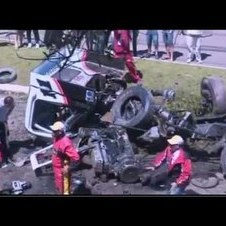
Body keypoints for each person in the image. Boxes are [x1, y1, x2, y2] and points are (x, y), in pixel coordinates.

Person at [50, 121, 80, 194]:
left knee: (64, 188)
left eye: (54, 131)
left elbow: (76, 157)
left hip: (61, 169)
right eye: (52, 130)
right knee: (59, 185)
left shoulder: (65, 143)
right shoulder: (56, 138)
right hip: (56, 167)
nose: (52, 132)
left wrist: (67, 167)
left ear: (60, 132)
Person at [0, 96, 15, 167]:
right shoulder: (0, 105)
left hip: (3, 120)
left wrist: (7, 116)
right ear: (5, 104)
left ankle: (6, 150)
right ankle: (4, 154)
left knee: (5, 136)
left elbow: (11, 108)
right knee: (2, 137)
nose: (9, 106)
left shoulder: (12, 104)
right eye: (7, 105)